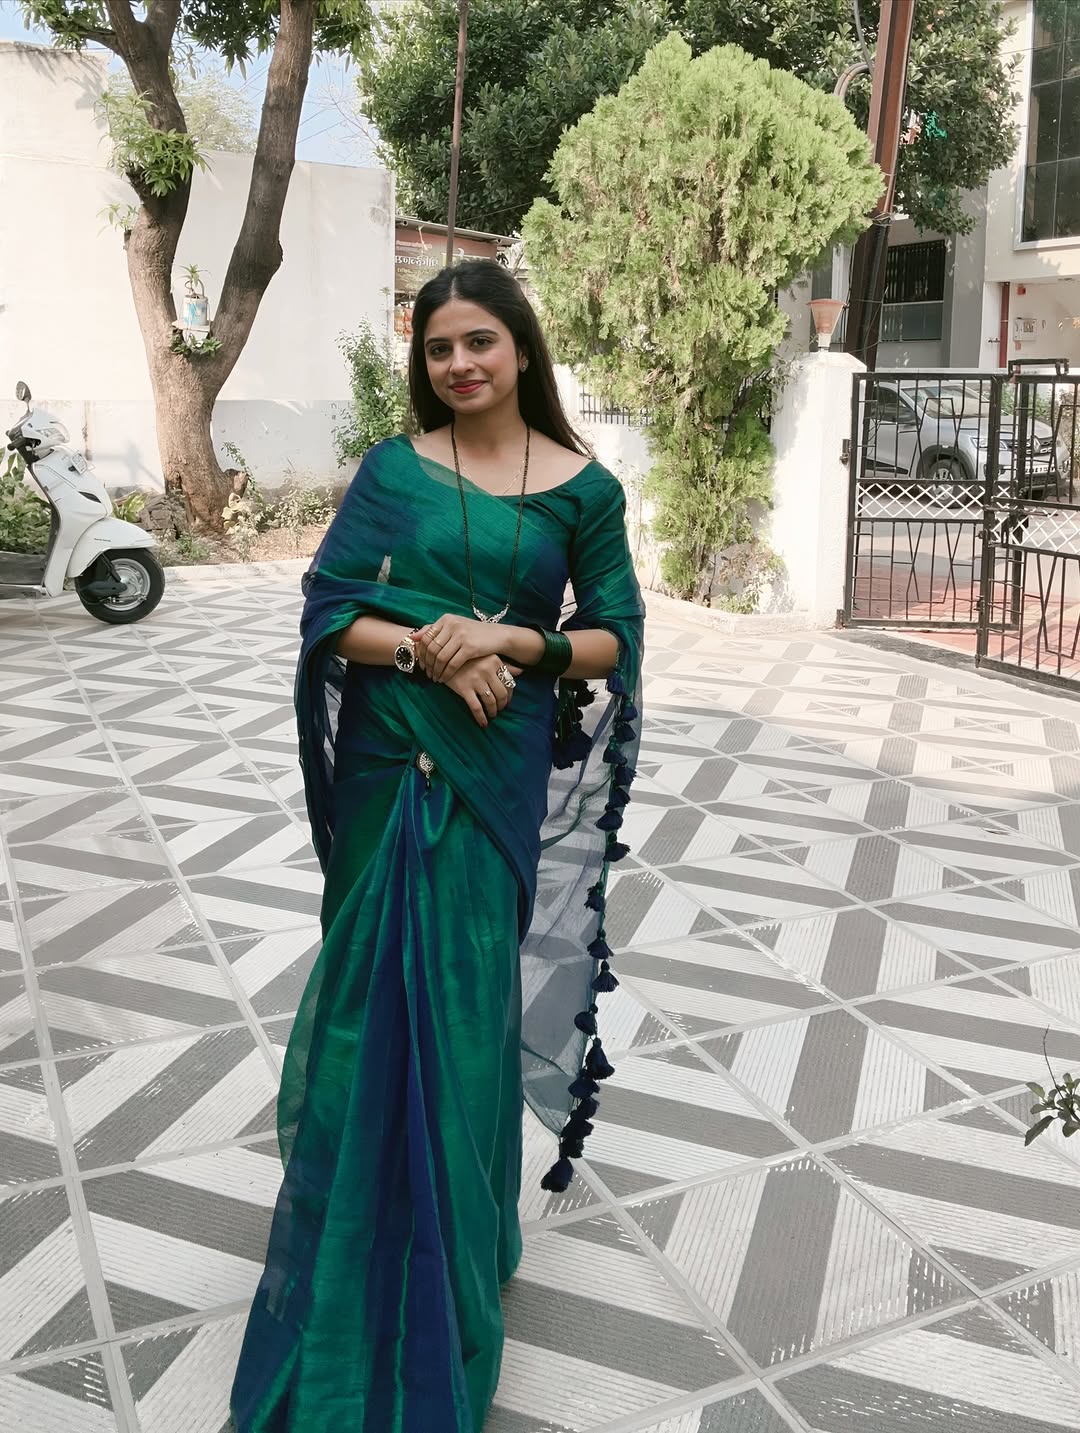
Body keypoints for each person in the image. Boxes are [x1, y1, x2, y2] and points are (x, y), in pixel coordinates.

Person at [230, 260, 645, 1432]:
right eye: (437, 347)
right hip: (389, 762)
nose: (458, 363)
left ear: (522, 347)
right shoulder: (393, 469)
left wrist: (509, 641)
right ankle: (353, 1244)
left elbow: (613, 634)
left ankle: (454, 1248)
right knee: (370, 1010)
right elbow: (331, 608)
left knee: (461, 1015)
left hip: (491, 771)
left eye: (478, 341)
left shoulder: (583, 490)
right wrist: (427, 649)